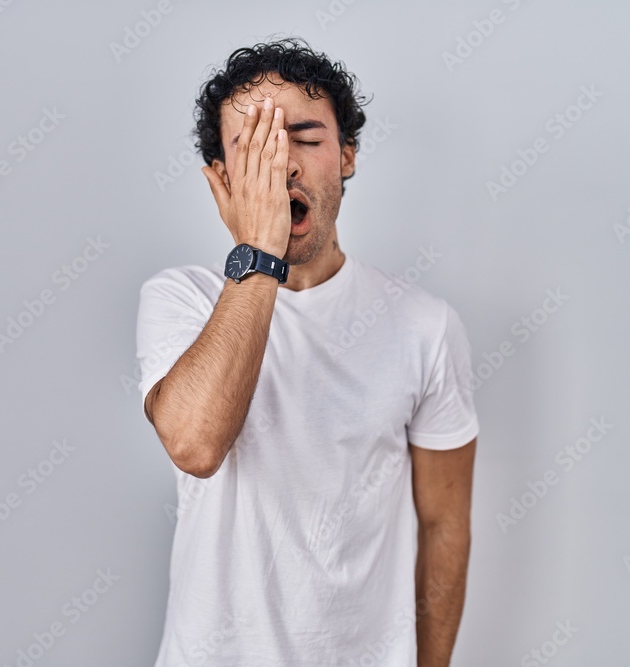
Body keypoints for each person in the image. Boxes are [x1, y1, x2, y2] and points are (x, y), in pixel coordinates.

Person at [135, 36, 479, 667]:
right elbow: (196, 444)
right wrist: (259, 253)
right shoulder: (179, 299)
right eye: (254, 146)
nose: (283, 166)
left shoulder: (426, 326)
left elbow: (444, 528)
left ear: (346, 155)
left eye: (305, 138)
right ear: (221, 177)